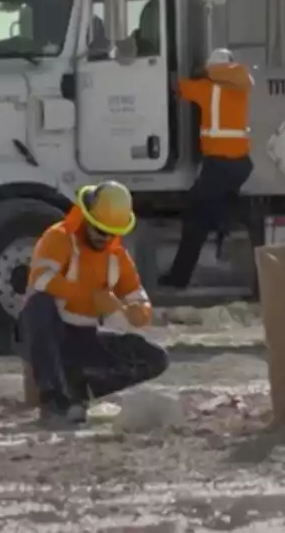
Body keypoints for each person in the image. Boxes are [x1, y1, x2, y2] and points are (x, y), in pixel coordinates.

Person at [20, 180, 170, 427]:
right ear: (87, 218)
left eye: (113, 233)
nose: (106, 238)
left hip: (85, 337)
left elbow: (141, 304)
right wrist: (89, 296)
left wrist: (125, 312)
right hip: (48, 334)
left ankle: (77, 390)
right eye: (101, 230)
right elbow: (41, 281)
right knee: (39, 304)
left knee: (155, 358)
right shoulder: (58, 238)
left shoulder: (118, 258)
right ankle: (54, 403)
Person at [158, 47, 254, 289]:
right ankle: (226, 225)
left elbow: (177, 87)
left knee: (195, 217)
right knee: (211, 211)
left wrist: (190, 73)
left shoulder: (206, 89)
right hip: (239, 164)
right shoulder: (240, 88)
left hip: (219, 166)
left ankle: (179, 277)